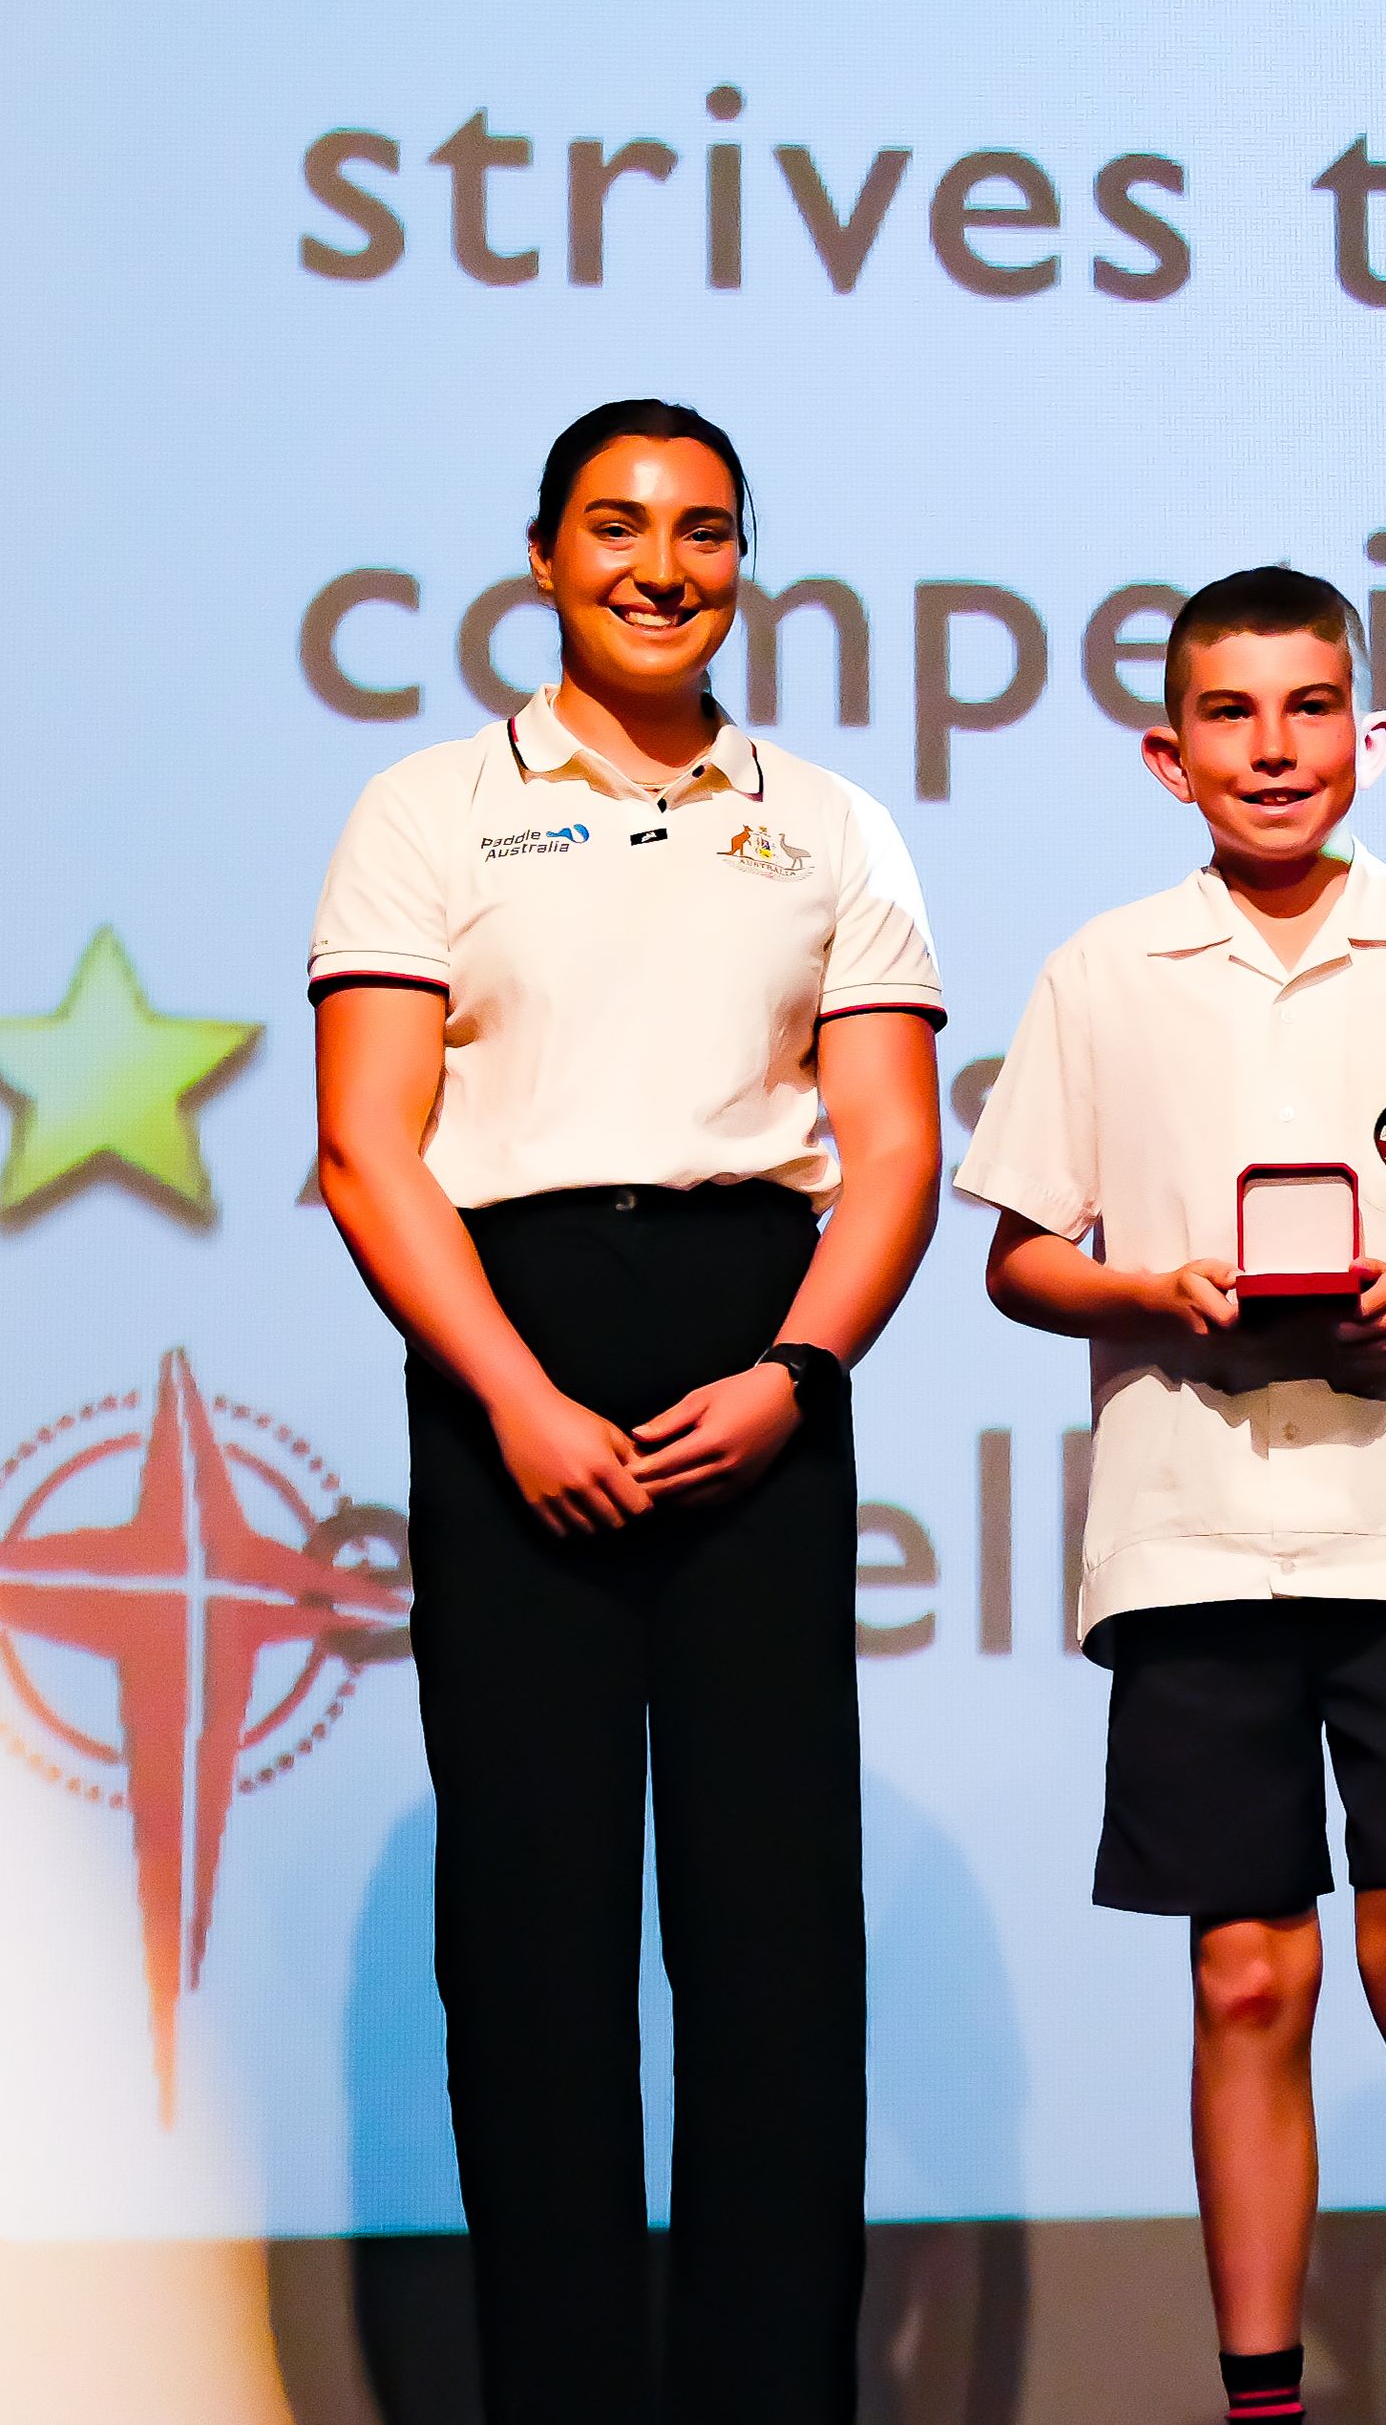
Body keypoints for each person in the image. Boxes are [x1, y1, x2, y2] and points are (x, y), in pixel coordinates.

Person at [309, 399, 943, 2425]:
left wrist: (798, 1375)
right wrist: (513, 1392)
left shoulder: (828, 821)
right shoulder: (427, 807)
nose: (663, 566)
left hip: (761, 1351)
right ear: (543, 552)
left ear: (743, 558)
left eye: (704, 530)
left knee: (778, 1934)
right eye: (617, 524)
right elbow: (368, 1144)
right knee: (533, 1936)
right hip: (513, 1353)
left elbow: (892, 1148)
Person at [956, 567, 1386, 2425]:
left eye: (1311, 708)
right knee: (1247, 1977)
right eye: (1232, 716)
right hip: (1189, 1530)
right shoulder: (1103, 970)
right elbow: (1020, 1258)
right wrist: (1154, 1290)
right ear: (1167, 757)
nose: (1275, 749)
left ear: (1372, 735)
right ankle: (1263, 2402)